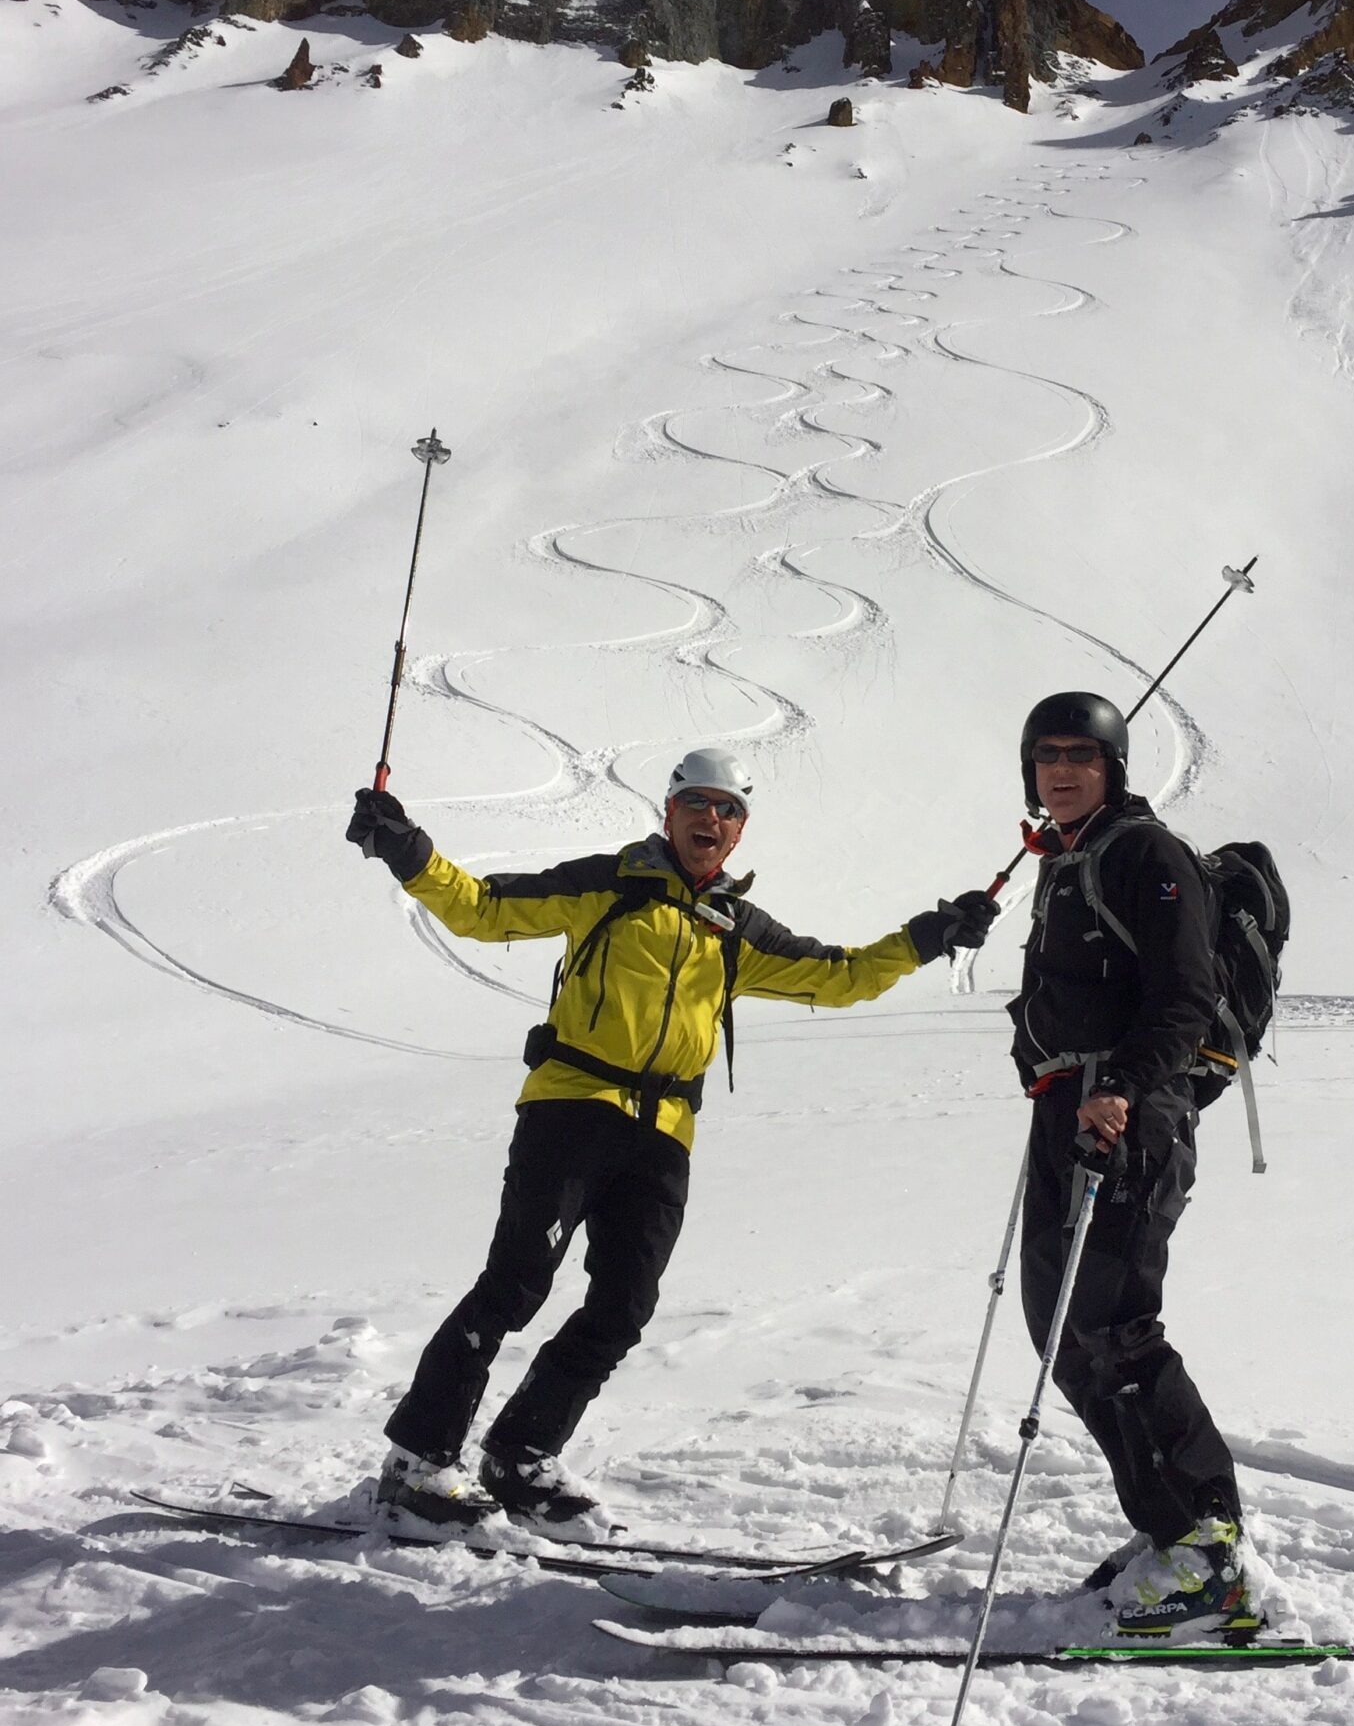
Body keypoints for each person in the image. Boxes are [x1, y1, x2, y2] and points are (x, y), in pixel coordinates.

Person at [348, 748, 997, 1530]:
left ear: (740, 833)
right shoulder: (608, 884)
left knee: (623, 1307)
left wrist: (929, 936)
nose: (711, 820)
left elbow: (840, 975)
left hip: (664, 1135)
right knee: (515, 1283)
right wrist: (405, 846)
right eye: (698, 804)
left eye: (727, 810)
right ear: (669, 812)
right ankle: (415, 1463)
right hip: (573, 1106)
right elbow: (485, 907)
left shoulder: (736, 927)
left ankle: (520, 1456)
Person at [1008, 692, 1258, 1639]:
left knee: (1113, 1328)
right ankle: (1169, 1531)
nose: (1063, 769)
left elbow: (1185, 995)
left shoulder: (1146, 855)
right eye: (1047, 754)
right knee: (1064, 1325)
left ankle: (1206, 1548)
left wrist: (1118, 1088)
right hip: (1070, 1106)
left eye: (1083, 754)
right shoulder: (1070, 859)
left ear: (1113, 765)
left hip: (1129, 1116)